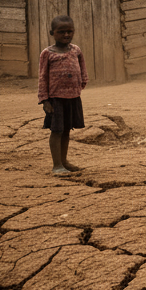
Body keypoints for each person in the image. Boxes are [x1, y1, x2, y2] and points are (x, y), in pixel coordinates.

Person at [38, 15, 87, 176]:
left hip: (73, 97)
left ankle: (65, 161)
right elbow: (42, 76)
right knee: (57, 130)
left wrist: (82, 82)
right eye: (61, 32)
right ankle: (57, 165)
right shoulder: (47, 53)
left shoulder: (76, 50)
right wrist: (44, 99)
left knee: (67, 130)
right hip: (55, 99)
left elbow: (82, 67)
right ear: (52, 32)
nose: (66, 35)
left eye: (70, 31)